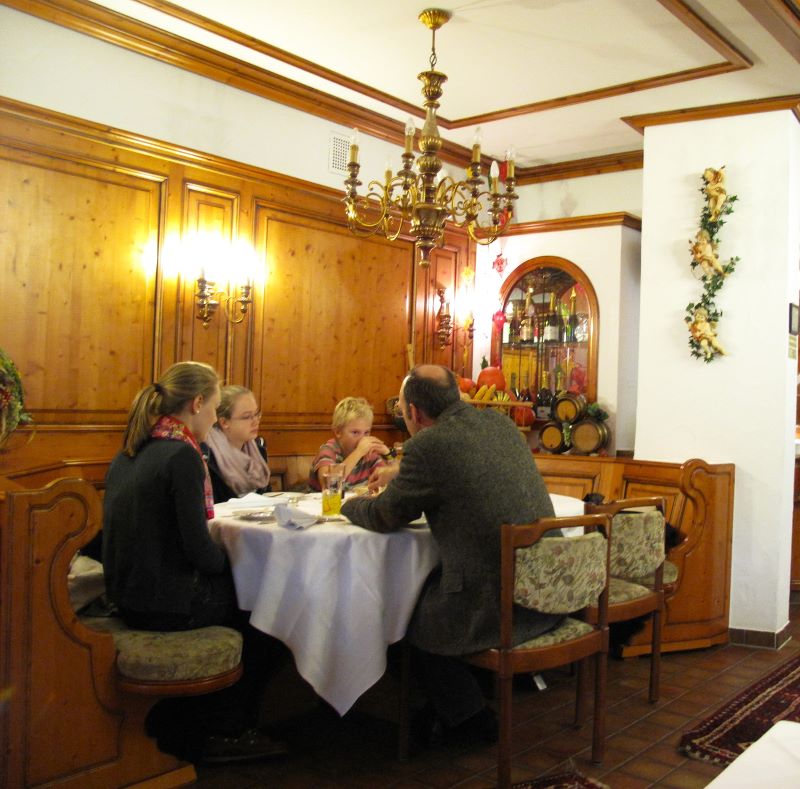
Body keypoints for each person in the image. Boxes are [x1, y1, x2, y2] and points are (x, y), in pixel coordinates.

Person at [341, 365, 559, 746]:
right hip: (547, 590)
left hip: (497, 604)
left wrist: (346, 504)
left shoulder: (428, 446)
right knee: (425, 589)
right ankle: (449, 707)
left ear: (414, 412)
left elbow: (384, 515)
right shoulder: (499, 424)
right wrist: (400, 474)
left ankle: (468, 718)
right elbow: (462, 467)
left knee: (399, 612)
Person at [102, 361, 285, 764]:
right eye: (215, 408)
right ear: (198, 403)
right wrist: (238, 565)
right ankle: (225, 730)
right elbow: (199, 551)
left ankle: (196, 725)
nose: (214, 418)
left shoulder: (132, 450)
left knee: (251, 599)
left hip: (127, 595)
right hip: (165, 603)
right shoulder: (182, 456)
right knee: (269, 616)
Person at [204, 385, 271, 502]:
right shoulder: (208, 456)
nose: (256, 421)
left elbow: (266, 496)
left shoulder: (259, 450)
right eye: (247, 417)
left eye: (256, 414)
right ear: (224, 422)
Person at [308, 396, 390, 491]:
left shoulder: (369, 454)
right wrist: (358, 453)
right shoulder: (328, 451)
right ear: (338, 432)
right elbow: (328, 484)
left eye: (366, 433)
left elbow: (392, 484)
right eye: (355, 432)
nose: (363, 439)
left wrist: (388, 454)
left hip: (355, 500)